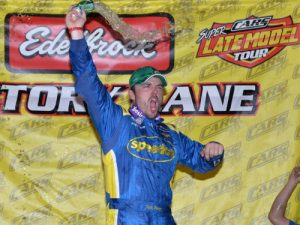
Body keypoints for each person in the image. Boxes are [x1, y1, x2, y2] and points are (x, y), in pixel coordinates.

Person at [65, 6, 224, 225]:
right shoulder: (116, 122)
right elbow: (88, 82)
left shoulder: (171, 135)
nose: (155, 92)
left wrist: (213, 152)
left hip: (164, 218)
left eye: (159, 87)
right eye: (147, 86)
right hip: (127, 217)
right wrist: (76, 33)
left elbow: (202, 161)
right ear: (132, 93)